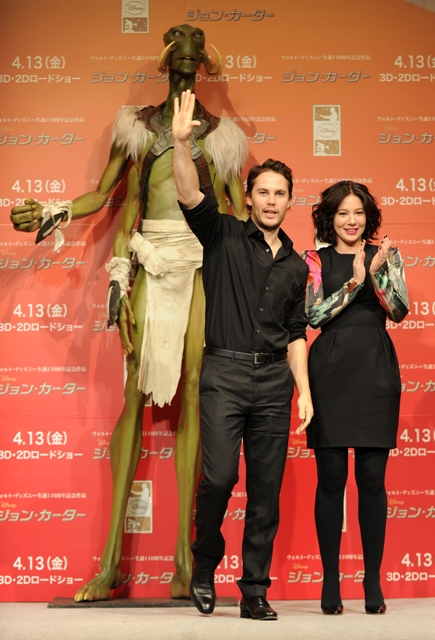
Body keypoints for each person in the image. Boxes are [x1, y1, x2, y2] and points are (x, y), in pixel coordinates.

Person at [10, 24, 248, 602]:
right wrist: (56, 211)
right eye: (179, 53)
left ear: (204, 65)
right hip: (150, 260)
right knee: (134, 396)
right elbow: (109, 197)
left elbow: (238, 217)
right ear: (167, 61)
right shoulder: (137, 128)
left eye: (194, 54)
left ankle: (185, 562)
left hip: (201, 267)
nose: (186, 62)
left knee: (194, 391)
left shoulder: (221, 139)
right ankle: (111, 562)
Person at [172, 90, 313, 620]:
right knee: (219, 478)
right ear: (248, 199)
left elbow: (296, 332)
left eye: (281, 193)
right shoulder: (223, 235)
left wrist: (303, 391)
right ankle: (205, 564)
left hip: (276, 383)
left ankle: (254, 589)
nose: (271, 200)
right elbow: (189, 193)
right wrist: (181, 145)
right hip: (225, 374)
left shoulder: (297, 266)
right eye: (263, 192)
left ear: (290, 201)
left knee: (266, 491)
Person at [302, 181, 409, 615]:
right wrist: (354, 282)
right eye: (343, 213)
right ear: (331, 217)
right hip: (329, 371)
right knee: (331, 480)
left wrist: (378, 274)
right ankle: (330, 580)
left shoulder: (387, 254)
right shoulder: (314, 259)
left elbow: (398, 310)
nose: (352, 221)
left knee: (372, 481)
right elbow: (313, 315)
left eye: (359, 212)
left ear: (369, 217)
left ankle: (372, 581)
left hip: (374, 371)